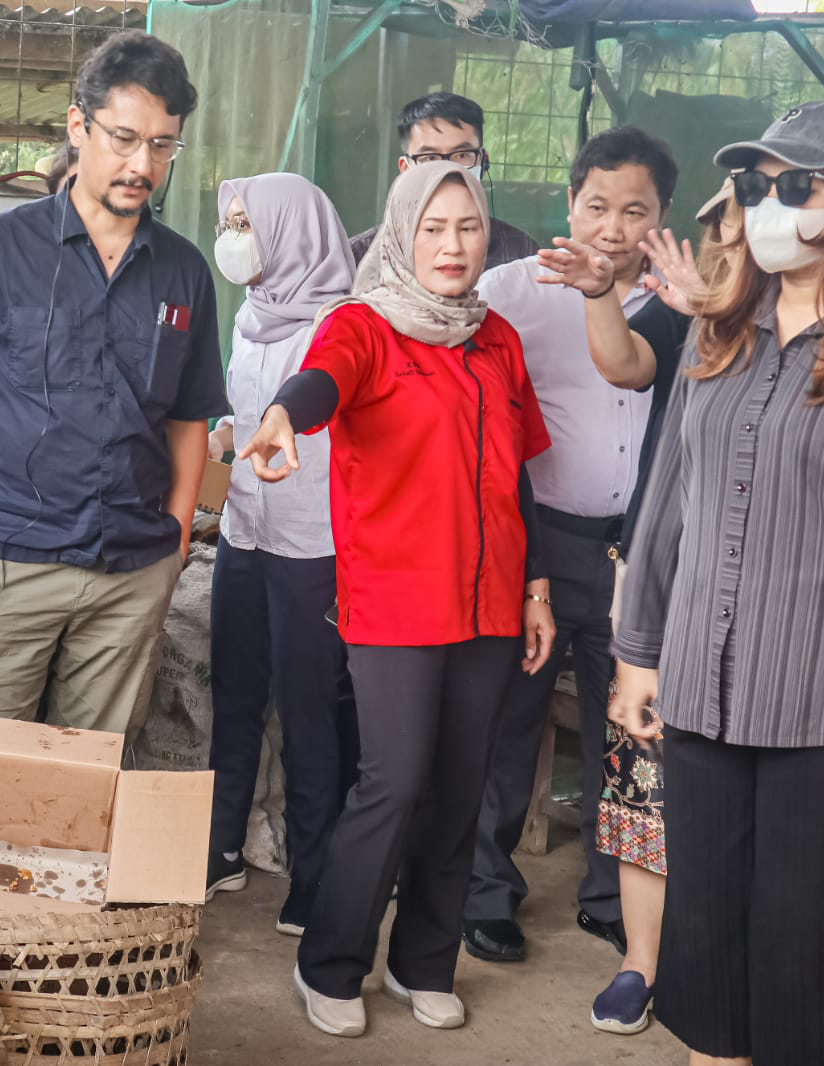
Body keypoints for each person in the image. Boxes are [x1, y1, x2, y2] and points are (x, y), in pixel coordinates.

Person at [613, 100, 824, 1066]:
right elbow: (667, 498)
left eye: (798, 186)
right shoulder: (718, 329)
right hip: (708, 694)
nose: (768, 206)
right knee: (710, 963)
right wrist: (637, 653)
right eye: (755, 186)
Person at [239, 162, 555, 1038]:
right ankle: (330, 961)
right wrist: (279, 415)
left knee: (462, 788)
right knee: (396, 781)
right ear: (401, 235)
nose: (452, 246)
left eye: (468, 228)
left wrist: (534, 588)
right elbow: (323, 382)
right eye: (433, 228)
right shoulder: (363, 325)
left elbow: (518, 474)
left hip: (490, 600)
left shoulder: (497, 341)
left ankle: (425, 963)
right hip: (396, 599)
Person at [0, 31, 226, 735]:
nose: (142, 163)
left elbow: (189, 417)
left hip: (130, 574)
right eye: (124, 137)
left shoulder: (184, 272)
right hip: (4, 561)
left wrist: (173, 544)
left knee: (86, 785)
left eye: (163, 145)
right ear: (79, 126)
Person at [463, 126, 678, 965]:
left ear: (662, 216)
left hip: (640, 553)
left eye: (636, 211)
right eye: (597, 206)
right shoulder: (512, 292)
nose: (613, 229)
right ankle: (486, 893)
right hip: (536, 547)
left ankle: (608, 897)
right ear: (568, 204)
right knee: (507, 720)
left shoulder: (684, 297)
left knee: (625, 732)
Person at [537, 177, 739, 1035]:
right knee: (640, 769)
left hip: (767, 596)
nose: (753, 224)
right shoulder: (690, 308)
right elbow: (624, 364)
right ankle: (640, 963)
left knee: (736, 784)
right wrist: (601, 294)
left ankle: (724, 954)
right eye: (735, 210)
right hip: (663, 582)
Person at [202, 172, 358, 936]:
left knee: (308, 710)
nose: (233, 239)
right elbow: (244, 413)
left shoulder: (342, 323)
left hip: (312, 543)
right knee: (233, 694)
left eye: (245, 223)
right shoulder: (252, 315)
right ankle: (220, 846)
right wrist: (224, 437)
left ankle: (314, 872)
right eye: (229, 223)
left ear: (291, 229)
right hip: (243, 531)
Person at [348, 93, 537, 272]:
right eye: (429, 157)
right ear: (405, 168)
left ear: (483, 160)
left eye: (462, 155)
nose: (447, 169)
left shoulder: (519, 251)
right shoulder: (359, 256)